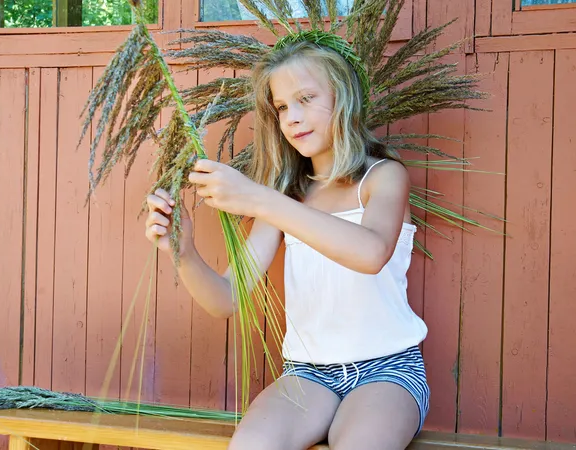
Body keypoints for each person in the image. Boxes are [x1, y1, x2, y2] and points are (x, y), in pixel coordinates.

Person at [145, 40, 429, 450]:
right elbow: (226, 298)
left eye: (306, 99)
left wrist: (260, 198)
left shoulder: (383, 177)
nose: (292, 117)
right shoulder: (287, 197)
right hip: (308, 374)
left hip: (388, 371)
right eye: (281, 107)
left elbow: (370, 253)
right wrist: (182, 250)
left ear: (343, 98)